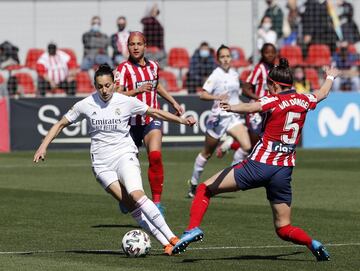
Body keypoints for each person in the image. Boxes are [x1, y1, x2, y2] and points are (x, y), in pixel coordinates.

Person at [172, 58, 339, 262]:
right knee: (284, 227)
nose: (267, 89)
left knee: (205, 188)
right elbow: (322, 93)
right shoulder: (304, 100)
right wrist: (330, 76)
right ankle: (312, 243)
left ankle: (191, 229)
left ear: (275, 85)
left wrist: (232, 108)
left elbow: (253, 107)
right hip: (283, 171)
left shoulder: (274, 100)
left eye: (269, 85)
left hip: (258, 166)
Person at [33, 64, 196, 256]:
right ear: (95, 85)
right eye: (100, 86)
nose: (104, 90)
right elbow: (60, 124)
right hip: (102, 165)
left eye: (108, 85)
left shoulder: (124, 100)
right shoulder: (85, 104)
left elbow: (155, 112)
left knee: (137, 195)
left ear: (114, 83)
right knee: (130, 204)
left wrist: (182, 120)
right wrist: (43, 146)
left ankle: (173, 237)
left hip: (124, 155)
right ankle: (165, 244)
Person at [115, 31, 184, 214]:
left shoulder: (153, 66)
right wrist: (136, 91)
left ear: (145, 46)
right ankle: (128, 197)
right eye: (132, 44)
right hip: (129, 123)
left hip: (150, 119)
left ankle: (157, 203)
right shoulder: (122, 69)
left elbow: (157, 86)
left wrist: (173, 102)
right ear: (127, 47)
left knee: (155, 157)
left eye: (139, 44)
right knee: (129, 165)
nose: (135, 47)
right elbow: (116, 94)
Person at [187, 45, 252, 198]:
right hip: (218, 118)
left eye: (227, 56)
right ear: (218, 59)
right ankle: (194, 184)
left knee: (247, 146)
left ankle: (229, 178)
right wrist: (217, 97)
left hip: (233, 116)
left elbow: (238, 93)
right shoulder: (215, 75)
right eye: (222, 57)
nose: (225, 59)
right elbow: (203, 95)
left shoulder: (235, 74)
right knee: (207, 154)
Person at [216, 43, 277, 157]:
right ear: (262, 54)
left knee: (260, 144)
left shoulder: (275, 69)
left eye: (273, 52)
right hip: (256, 111)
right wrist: (259, 99)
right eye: (267, 52)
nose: (270, 55)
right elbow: (245, 89)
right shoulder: (259, 68)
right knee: (253, 147)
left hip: (269, 110)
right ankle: (236, 166)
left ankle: (232, 143)